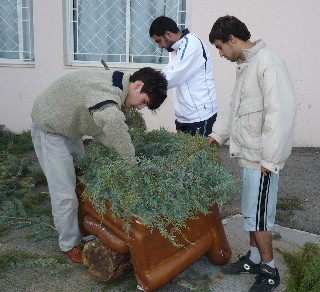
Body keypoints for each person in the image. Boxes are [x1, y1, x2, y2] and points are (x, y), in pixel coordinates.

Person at [30, 67, 167, 263]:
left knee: (81, 179)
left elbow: (103, 130)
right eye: (143, 102)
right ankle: (69, 245)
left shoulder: (117, 85)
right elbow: (112, 122)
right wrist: (130, 162)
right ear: (138, 85)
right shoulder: (107, 93)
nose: (140, 108)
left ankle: (81, 228)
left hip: (68, 128)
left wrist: (120, 153)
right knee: (64, 193)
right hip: (49, 127)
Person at [207, 16, 296, 291]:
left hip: (262, 161)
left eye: (221, 47)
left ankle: (270, 271)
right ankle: (254, 259)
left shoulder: (268, 63)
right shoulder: (246, 66)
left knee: (260, 217)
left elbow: (280, 114)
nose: (220, 54)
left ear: (232, 39)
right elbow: (234, 108)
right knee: (250, 213)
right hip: (247, 156)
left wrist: (270, 158)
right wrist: (215, 137)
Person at [149, 16, 218, 136]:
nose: (159, 46)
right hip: (184, 117)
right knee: (184, 153)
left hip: (200, 116)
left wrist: (143, 82)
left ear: (168, 34)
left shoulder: (191, 44)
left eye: (158, 41)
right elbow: (169, 73)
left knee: (200, 154)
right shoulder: (174, 49)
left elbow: (172, 76)